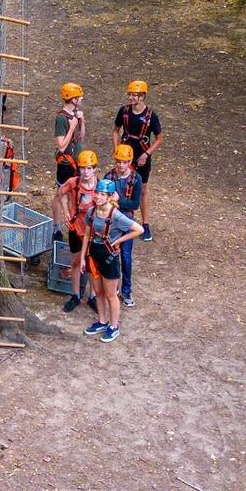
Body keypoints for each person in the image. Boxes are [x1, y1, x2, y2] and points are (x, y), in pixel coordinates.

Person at [80, 180, 142, 343]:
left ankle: (114, 326)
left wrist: (119, 240)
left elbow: (139, 229)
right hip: (93, 256)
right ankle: (102, 321)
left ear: (109, 197)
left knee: (110, 294)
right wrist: (82, 258)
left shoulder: (116, 215)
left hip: (109, 258)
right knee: (98, 292)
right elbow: (87, 234)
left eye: (102, 195)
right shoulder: (91, 212)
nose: (98, 197)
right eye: (97, 193)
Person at [112, 80, 162, 241]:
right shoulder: (124, 111)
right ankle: (122, 220)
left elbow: (159, 138)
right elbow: (115, 131)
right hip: (125, 155)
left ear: (142, 96)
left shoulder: (151, 116)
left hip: (142, 155)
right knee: (121, 185)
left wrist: (146, 154)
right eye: (130, 94)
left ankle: (145, 224)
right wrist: (117, 149)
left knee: (143, 190)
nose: (131, 97)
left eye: (135, 95)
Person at [52, 149, 99, 313]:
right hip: (75, 229)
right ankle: (76, 295)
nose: (85, 172)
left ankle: (93, 296)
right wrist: (66, 211)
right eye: (83, 168)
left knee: (93, 265)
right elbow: (61, 192)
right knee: (76, 262)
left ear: (94, 169)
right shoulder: (73, 182)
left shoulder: (100, 186)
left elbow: (113, 199)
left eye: (89, 168)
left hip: (93, 232)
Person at [105, 145, 143, 307]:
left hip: (126, 221)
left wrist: (119, 200)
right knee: (109, 255)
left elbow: (134, 204)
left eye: (124, 162)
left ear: (129, 162)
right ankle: (111, 288)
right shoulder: (109, 177)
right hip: (111, 222)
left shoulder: (135, 179)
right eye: (118, 161)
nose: (120, 165)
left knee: (126, 257)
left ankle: (126, 290)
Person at [55, 82, 86, 185]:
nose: (81, 99)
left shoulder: (76, 114)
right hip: (66, 165)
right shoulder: (61, 119)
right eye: (79, 97)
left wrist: (82, 121)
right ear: (73, 99)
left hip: (77, 162)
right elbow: (61, 147)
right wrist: (72, 127)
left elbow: (81, 136)